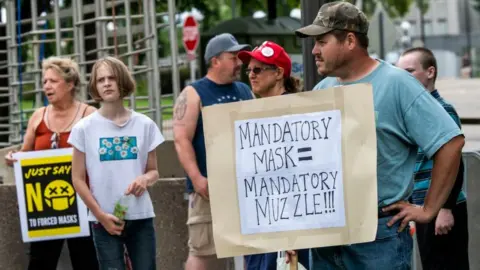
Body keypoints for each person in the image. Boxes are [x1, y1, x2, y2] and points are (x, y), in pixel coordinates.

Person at [289, 1, 465, 269]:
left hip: (379, 234)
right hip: (325, 232)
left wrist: (429, 209)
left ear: (349, 40)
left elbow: (451, 142)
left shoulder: (397, 84)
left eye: (322, 41)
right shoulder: (322, 88)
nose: (314, 50)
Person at [68, 56, 164, 270]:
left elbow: (154, 171)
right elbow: (77, 178)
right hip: (103, 219)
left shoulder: (145, 124)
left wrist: (144, 179)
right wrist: (100, 216)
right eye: (101, 80)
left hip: (141, 217)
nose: (107, 83)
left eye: (112, 78)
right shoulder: (83, 129)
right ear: (95, 85)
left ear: (123, 81)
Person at [3, 57, 98, 270]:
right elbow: (24, 154)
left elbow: (101, 157)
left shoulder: (90, 115)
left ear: (70, 83)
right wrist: (14, 159)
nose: (46, 86)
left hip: (83, 203)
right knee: (40, 263)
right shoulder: (38, 116)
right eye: (44, 81)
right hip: (45, 208)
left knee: (87, 261)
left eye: (53, 81)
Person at [173, 33, 253, 270]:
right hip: (209, 189)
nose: (239, 62)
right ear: (215, 60)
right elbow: (181, 139)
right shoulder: (194, 93)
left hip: (244, 188)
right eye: (233, 57)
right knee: (204, 252)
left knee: (248, 250)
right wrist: (197, 179)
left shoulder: (244, 91)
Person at [237, 41, 309, 270]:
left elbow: (305, 175)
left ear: (278, 73)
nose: (251, 75)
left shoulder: (298, 112)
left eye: (258, 69)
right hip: (260, 222)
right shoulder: (253, 113)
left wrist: (292, 233)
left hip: (290, 226)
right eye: (249, 70)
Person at [397, 47, 470, 270]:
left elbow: (454, 160)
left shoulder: (442, 110)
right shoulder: (415, 112)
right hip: (424, 205)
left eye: (410, 71)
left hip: (441, 206)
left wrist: (445, 209)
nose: (404, 78)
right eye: (400, 73)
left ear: (430, 72)